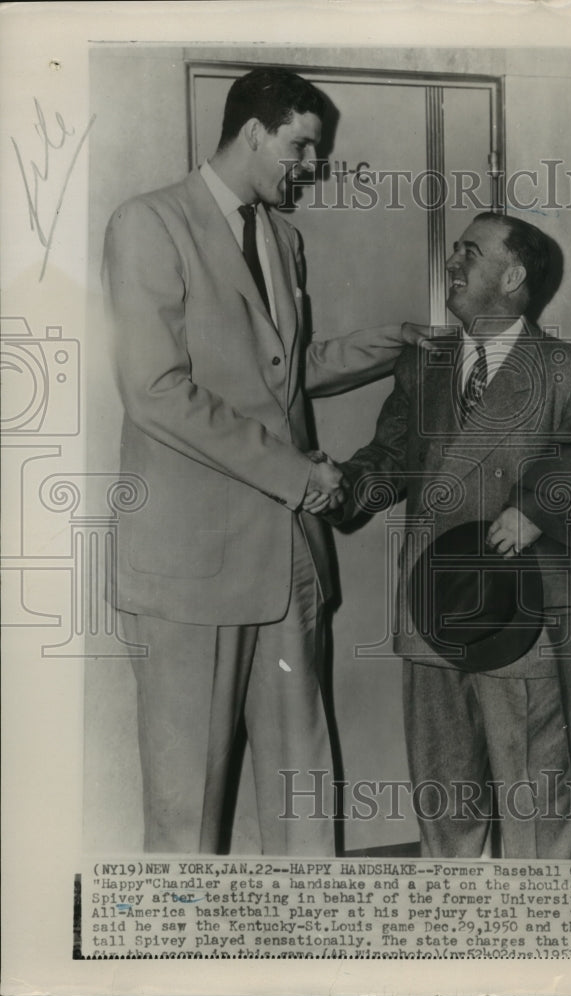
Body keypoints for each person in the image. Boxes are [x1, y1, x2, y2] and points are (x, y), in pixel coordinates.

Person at [101, 67, 428, 855]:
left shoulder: (282, 237)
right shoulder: (149, 224)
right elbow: (155, 391)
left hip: (287, 561)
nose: (312, 166)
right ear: (253, 131)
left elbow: (280, 367)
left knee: (303, 784)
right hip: (192, 565)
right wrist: (296, 476)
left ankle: (306, 956)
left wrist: (389, 346)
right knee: (188, 804)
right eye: (302, 145)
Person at [334, 212, 571, 858]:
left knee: (537, 818)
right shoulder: (423, 368)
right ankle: (457, 943)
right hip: (434, 614)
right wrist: (335, 487)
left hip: (526, 625)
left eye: (470, 252)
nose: (452, 262)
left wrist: (542, 502)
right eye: (454, 249)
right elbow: (390, 462)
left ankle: (535, 957)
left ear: (513, 277)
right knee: (445, 812)